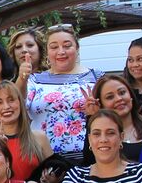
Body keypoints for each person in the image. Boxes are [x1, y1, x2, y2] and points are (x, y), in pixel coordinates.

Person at [25, 26, 99, 163]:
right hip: (43, 158)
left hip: (89, 155)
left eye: (67, 45)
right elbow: (19, 107)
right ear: (47, 52)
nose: (61, 52)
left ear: (77, 48)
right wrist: (22, 77)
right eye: (54, 47)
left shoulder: (96, 77)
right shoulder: (34, 80)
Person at [0, 80, 51, 182]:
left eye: (11, 100)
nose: (6, 106)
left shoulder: (39, 138)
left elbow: (55, 181)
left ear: (20, 103)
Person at [92, 73, 142, 162]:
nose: (119, 99)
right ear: (100, 104)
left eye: (122, 93)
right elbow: (90, 163)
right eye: (110, 97)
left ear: (130, 95)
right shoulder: (98, 135)